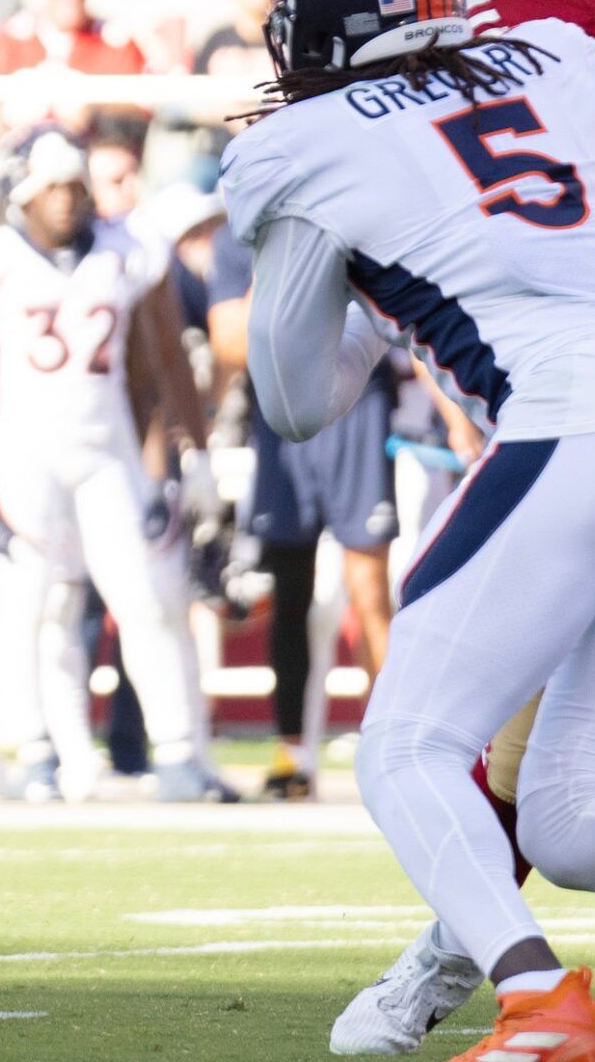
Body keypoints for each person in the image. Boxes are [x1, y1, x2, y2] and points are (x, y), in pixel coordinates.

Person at [224, 0, 595, 1062]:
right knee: (573, 820)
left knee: (402, 746)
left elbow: (292, 395)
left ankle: (539, 1001)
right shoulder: (558, 57)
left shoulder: (299, 144)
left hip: (573, 434)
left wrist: (376, 312)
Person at [0, 129, 227, 803]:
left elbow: (161, 362)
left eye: (75, 185)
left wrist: (192, 454)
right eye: (51, 188)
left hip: (107, 450)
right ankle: (42, 750)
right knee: (31, 606)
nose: (67, 200)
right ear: (20, 194)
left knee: (150, 600)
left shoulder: (130, 250)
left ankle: (179, 754)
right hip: (24, 450)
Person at [207, 220, 398, 800]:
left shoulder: (349, 213)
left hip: (358, 405)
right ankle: (293, 753)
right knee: (288, 590)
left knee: (369, 586)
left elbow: (387, 318)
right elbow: (230, 342)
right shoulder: (238, 235)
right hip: (281, 413)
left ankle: (396, 747)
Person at [0, 0, 148, 142]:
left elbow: (145, 103)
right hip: (19, 146)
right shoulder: (14, 32)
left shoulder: (114, 38)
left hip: (90, 148)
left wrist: (93, 107)